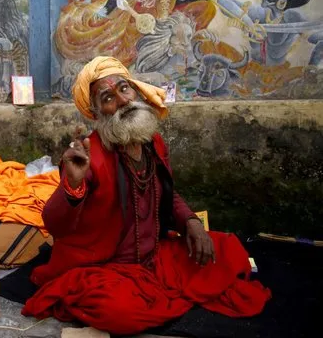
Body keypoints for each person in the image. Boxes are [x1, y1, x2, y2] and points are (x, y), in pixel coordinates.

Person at [21, 57, 271, 335]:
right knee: (117, 312)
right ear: (97, 112)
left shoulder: (153, 142)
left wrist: (191, 222)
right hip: (106, 267)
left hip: (156, 257)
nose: (122, 100)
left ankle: (162, 291)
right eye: (108, 97)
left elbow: (166, 194)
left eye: (124, 89)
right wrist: (72, 186)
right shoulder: (89, 156)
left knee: (225, 250)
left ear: (136, 91)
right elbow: (54, 224)